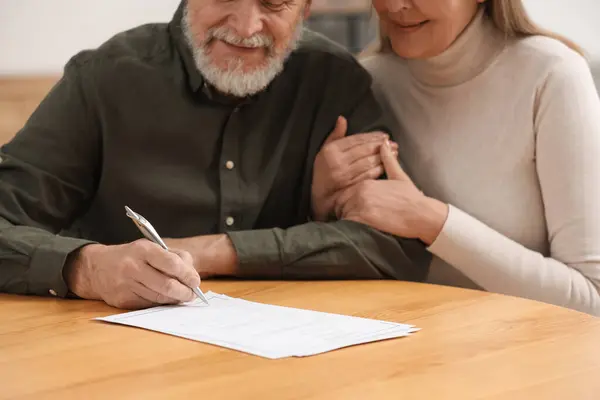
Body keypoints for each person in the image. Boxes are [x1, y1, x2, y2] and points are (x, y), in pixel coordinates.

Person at [0, 0, 431, 310]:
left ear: (306, 8)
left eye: (274, 2)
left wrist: (212, 252)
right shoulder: (105, 79)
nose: (246, 27)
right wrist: (86, 268)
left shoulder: (335, 83)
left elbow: (394, 245)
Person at [312, 0, 600, 315]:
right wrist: (320, 204)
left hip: (524, 356)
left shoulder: (552, 75)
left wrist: (430, 221)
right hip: (398, 353)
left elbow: (591, 298)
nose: (393, 5)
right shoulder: (365, 82)